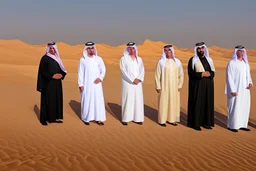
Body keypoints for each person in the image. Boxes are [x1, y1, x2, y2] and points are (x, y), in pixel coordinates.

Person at [36, 42, 67, 126]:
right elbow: (42, 72)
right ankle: (44, 119)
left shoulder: (57, 58)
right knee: (47, 100)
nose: (52, 50)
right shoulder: (45, 58)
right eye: (50, 48)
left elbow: (63, 70)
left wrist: (61, 75)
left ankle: (54, 118)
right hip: (48, 83)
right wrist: (52, 76)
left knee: (56, 100)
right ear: (48, 49)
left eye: (53, 48)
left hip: (57, 84)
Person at [187, 42, 215, 131]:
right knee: (197, 103)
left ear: (204, 49)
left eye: (202, 48)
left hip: (208, 85)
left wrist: (210, 74)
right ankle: (196, 124)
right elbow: (190, 73)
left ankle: (206, 123)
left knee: (207, 103)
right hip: (197, 86)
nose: (200, 50)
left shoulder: (209, 60)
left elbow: (213, 72)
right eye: (199, 49)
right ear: (196, 50)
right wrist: (201, 74)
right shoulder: (193, 60)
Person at [226, 45, 253, 132]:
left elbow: (248, 75)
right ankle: (232, 126)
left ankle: (242, 125)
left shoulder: (246, 64)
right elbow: (229, 77)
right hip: (236, 90)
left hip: (245, 90)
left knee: (244, 106)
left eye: (242, 51)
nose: (241, 52)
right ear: (236, 52)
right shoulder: (232, 63)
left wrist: (250, 83)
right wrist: (233, 90)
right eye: (239, 51)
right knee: (235, 107)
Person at [155, 45, 184, 127]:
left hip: (174, 87)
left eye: (169, 50)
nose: (167, 52)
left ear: (172, 51)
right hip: (164, 86)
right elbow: (157, 75)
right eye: (166, 50)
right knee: (163, 103)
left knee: (173, 103)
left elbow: (181, 75)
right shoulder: (161, 62)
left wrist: (180, 85)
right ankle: (162, 120)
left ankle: (172, 120)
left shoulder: (177, 62)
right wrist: (158, 86)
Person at [78, 41, 106, 126]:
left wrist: (100, 78)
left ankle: (98, 119)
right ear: (86, 50)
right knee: (87, 101)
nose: (91, 50)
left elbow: (103, 70)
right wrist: (80, 84)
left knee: (97, 101)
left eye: (92, 48)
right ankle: (86, 118)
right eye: (89, 48)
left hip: (97, 85)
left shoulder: (99, 59)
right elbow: (80, 72)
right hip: (87, 84)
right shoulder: (83, 60)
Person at [120, 42, 145, 126]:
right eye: (129, 48)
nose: (131, 50)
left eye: (133, 48)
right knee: (127, 99)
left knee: (138, 100)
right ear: (127, 49)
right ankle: (126, 118)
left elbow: (142, 70)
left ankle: (138, 118)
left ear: (135, 49)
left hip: (138, 83)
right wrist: (132, 80)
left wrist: (139, 79)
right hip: (128, 83)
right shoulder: (123, 59)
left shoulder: (139, 59)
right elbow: (123, 71)